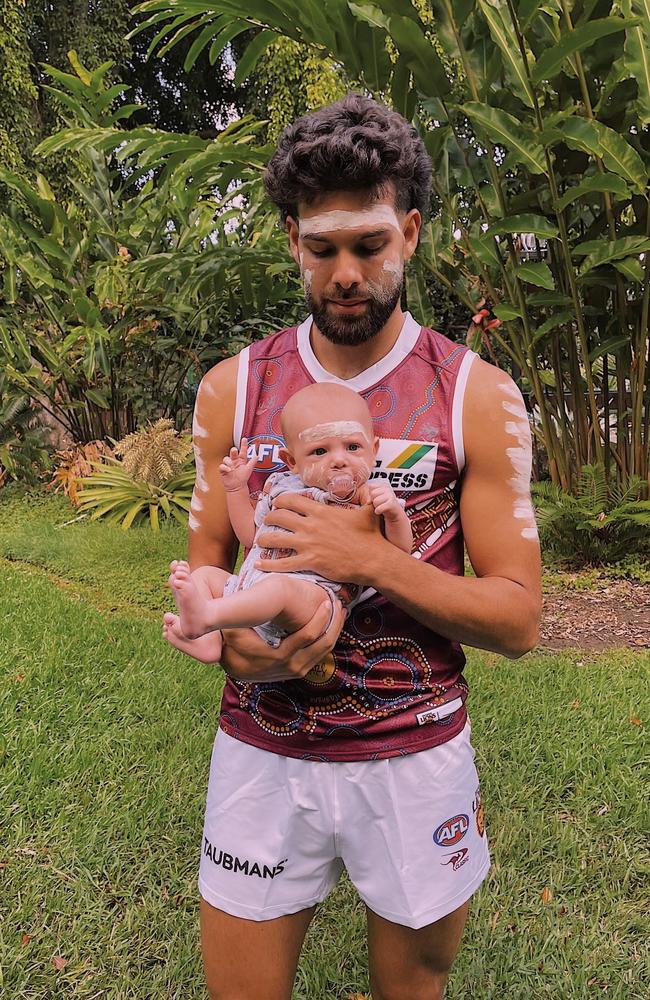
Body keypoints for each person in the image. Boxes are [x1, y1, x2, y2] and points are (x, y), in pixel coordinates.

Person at [167, 94, 542, 1000]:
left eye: (369, 245)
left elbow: (519, 619)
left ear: (409, 234)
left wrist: (370, 560)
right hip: (262, 755)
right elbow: (208, 558)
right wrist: (234, 638)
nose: (345, 273)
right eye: (321, 247)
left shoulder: (474, 395)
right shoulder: (233, 389)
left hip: (414, 760)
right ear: (293, 240)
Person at [163, 382, 412, 662]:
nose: (339, 460)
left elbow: (400, 550)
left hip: (313, 599)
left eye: (353, 446)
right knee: (206, 575)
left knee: (279, 589)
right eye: (320, 451)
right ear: (292, 461)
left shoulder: (370, 496)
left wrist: (393, 513)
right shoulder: (279, 486)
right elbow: (251, 537)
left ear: (373, 449)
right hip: (250, 586)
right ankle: (208, 642)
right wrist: (236, 490)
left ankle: (210, 615)